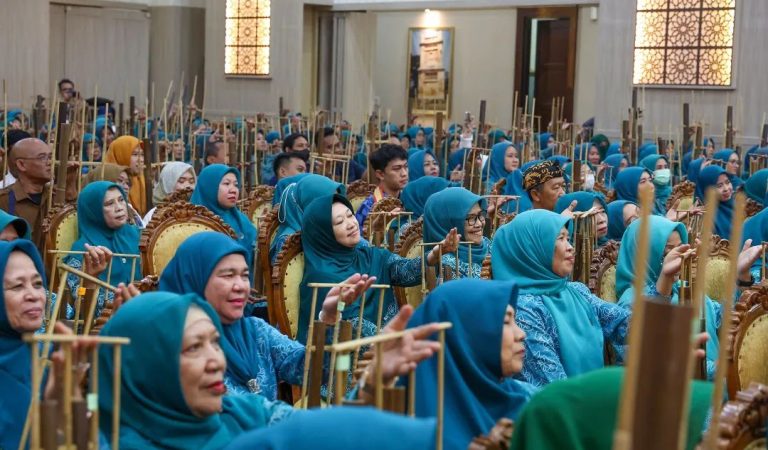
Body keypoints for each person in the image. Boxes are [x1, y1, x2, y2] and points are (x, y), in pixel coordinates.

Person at [491, 209, 630, 386]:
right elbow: (553, 387)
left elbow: (625, 324)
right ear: (533, 248)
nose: (570, 246)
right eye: (560, 239)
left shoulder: (575, 291)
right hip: (565, 409)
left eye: (568, 238)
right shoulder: (521, 309)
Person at [298, 194, 458, 343]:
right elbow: (351, 326)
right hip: (346, 360)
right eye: (340, 222)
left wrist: (435, 254)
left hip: (389, 343)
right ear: (324, 234)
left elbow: (401, 270)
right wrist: (397, 341)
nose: (351, 224)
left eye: (350, 215)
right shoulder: (322, 277)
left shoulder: (364, 253)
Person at [406, 279, 535, 449]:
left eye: (515, 321)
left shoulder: (525, 399)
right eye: (506, 322)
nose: (521, 333)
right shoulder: (409, 430)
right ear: (465, 336)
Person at [509, 366, 713, 450]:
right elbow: (560, 397)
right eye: (507, 322)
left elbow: (631, 325)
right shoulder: (542, 406)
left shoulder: (578, 293)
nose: (521, 334)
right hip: (595, 416)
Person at [63, 182, 141, 318]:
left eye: (121, 200)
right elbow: (79, 298)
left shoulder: (140, 236)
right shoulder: (82, 249)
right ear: (93, 211)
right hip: (103, 322)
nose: (119, 208)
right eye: (109, 203)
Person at [227, 407, 436, 450]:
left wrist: (329, 319)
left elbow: (321, 425)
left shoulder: (256, 328)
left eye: (216, 344)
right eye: (194, 347)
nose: (216, 362)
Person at [0, 138, 77, 250]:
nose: (50, 162)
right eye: (42, 157)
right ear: (21, 164)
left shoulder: (56, 196)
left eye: (50, 157)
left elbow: (73, 228)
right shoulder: (4, 201)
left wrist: (70, 187)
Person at [271, 174, 345, 264]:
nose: (337, 208)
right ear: (308, 205)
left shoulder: (328, 228)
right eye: (329, 203)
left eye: (337, 201)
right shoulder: (289, 243)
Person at [423, 188, 493, 279]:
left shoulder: (487, 245)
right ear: (447, 222)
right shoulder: (446, 266)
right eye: (471, 218)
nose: (479, 224)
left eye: (480, 215)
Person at [191, 164, 257, 260]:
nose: (233, 190)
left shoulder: (241, 219)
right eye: (226, 184)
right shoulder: (193, 221)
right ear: (209, 187)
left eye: (236, 185)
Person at [355, 144, 409, 229]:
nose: (404, 173)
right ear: (380, 174)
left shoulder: (408, 200)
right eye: (396, 168)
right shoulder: (369, 207)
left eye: (406, 167)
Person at [104, 136, 147, 216]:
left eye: (142, 154)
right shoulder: (107, 179)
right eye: (135, 154)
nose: (140, 159)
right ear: (120, 155)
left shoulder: (141, 180)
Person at [695, 165, 734, 239]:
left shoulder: (734, 206)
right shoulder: (701, 215)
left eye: (727, 182)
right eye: (719, 186)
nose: (726, 188)